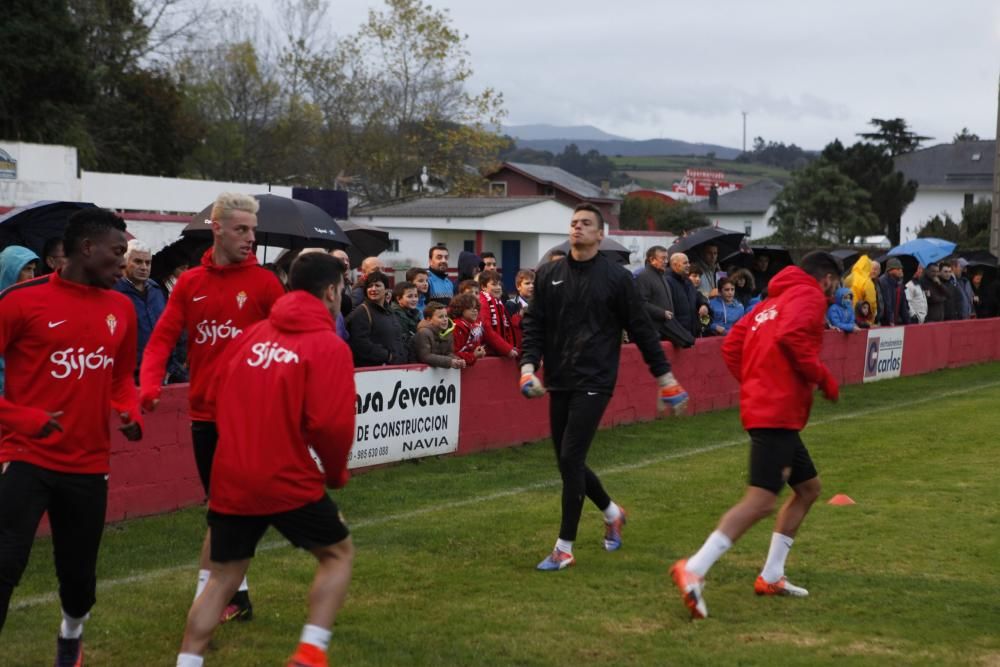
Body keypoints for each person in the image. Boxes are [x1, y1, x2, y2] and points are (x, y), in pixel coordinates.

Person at [175, 252, 356, 667]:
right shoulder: (328, 345)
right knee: (337, 554)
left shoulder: (252, 333)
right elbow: (331, 425)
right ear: (331, 291)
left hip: (232, 475)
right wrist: (335, 473)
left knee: (222, 577)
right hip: (284, 474)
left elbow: (215, 395)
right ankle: (310, 652)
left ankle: (187, 662)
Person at [0, 208, 142, 663]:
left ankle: (70, 634)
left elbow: (122, 379)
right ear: (87, 249)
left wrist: (129, 409)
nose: (124, 263)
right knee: (5, 564)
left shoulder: (121, 308)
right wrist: (20, 418)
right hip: (24, 454)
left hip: (88, 464)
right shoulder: (19, 301)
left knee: (79, 579)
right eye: (118, 252)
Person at [670, 251, 841, 619]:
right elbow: (795, 336)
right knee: (762, 501)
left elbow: (732, 345)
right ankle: (694, 568)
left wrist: (756, 383)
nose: (833, 293)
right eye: (835, 286)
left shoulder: (772, 301)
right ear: (827, 278)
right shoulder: (808, 297)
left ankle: (772, 575)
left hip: (770, 408)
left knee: (809, 489)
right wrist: (822, 378)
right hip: (776, 412)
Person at [140, 192, 286, 623]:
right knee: (222, 507)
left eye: (253, 230)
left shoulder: (264, 284)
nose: (250, 238)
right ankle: (237, 595)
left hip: (250, 417)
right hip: (204, 415)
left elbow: (290, 340)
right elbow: (163, 338)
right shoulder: (189, 284)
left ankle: (209, 597)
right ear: (217, 229)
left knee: (227, 507)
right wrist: (149, 385)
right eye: (242, 229)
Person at [520, 203, 689, 571]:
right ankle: (613, 512)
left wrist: (666, 377)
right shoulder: (549, 273)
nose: (577, 228)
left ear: (600, 234)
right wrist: (528, 367)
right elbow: (533, 324)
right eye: (573, 223)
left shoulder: (616, 279)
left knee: (570, 458)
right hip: (559, 379)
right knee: (568, 463)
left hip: (596, 378)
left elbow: (643, 330)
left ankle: (564, 547)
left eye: (585, 224)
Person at [114, 240, 186, 382]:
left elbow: (169, 329)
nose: (144, 267)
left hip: (162, 371)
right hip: (131, 375)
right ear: (125, 262)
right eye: (138, 262)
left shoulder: (157, 290)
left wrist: (172, 366)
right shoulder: (115, 293)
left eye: (148, 262)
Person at [0, 245, 40, 394]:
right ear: (9, 270)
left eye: (33, 270)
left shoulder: (33, 306)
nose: (32, 277)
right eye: (26, 269)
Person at [345, 272, 405, 367]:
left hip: (395, 370)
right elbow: (360, 343)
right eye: (370, 286)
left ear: (386, 289)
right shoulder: (362, 312)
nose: (373, 289)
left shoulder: (390, 312)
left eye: (377, 285)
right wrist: (387, 356)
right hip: (374, 372)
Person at [635, 246, 677, 341]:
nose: (666, 261)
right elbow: (640, 303)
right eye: (663, 258)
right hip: (654, 331)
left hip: (666, 329)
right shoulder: (643, 277)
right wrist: (662, 313)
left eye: (667, 258)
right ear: (652, 259)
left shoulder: (662, 275)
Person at [477, 269, 518, 359]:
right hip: (488, 355)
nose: (499, 287)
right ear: (483, 287)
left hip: (497, 353)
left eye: (499, 284)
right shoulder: (483, 302)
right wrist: (507, 349)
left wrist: (511, 348)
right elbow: (487, 330)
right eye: (494, 284)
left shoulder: (498, 302)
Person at [666, 252, 707, 339]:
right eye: (685, 263)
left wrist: (704, 304)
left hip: (692, 333)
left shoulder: (687, 281)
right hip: (679, 336)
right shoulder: (667, 282)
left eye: (688, 262)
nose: (688, 265)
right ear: (674, 264)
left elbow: (697, 296)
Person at [413, 302, 465, 369]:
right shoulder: (423, 333)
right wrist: (449, 362)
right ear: (429, 319)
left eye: (446, 316)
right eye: (440, 317)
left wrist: (457, 360)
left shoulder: (448, 332)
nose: (445, 319)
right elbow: (425, 356)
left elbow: (448, 353)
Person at [449, 293, 487, 367]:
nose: (475, 310)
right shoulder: (455, 327)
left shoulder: (475, 327)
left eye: (476, 307)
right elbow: (451, 354)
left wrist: (480, 352)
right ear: (460, 309)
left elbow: (475, 349)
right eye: (470, 308)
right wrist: (473, 356)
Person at [389, 281, 421, 359]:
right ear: (399, 299)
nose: (414, 299)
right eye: (410, 296)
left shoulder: (414, 313)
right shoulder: (395, 315)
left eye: (416, 296)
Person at [877, 257, 911, 326]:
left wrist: (908, 322)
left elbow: (904, 305)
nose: (901, 270)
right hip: (885, 323)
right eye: (898, 269)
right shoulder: (883, 281)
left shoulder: (899, 283)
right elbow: (887, 303)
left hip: (895, 322)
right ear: (890, 270)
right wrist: (891, 321)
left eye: (901, 268)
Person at [844, 255, 877, 326]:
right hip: (861, 319)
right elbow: (871, 302)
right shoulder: (867, 282)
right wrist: (871, 319)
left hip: (846, 317)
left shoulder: (848, 278)